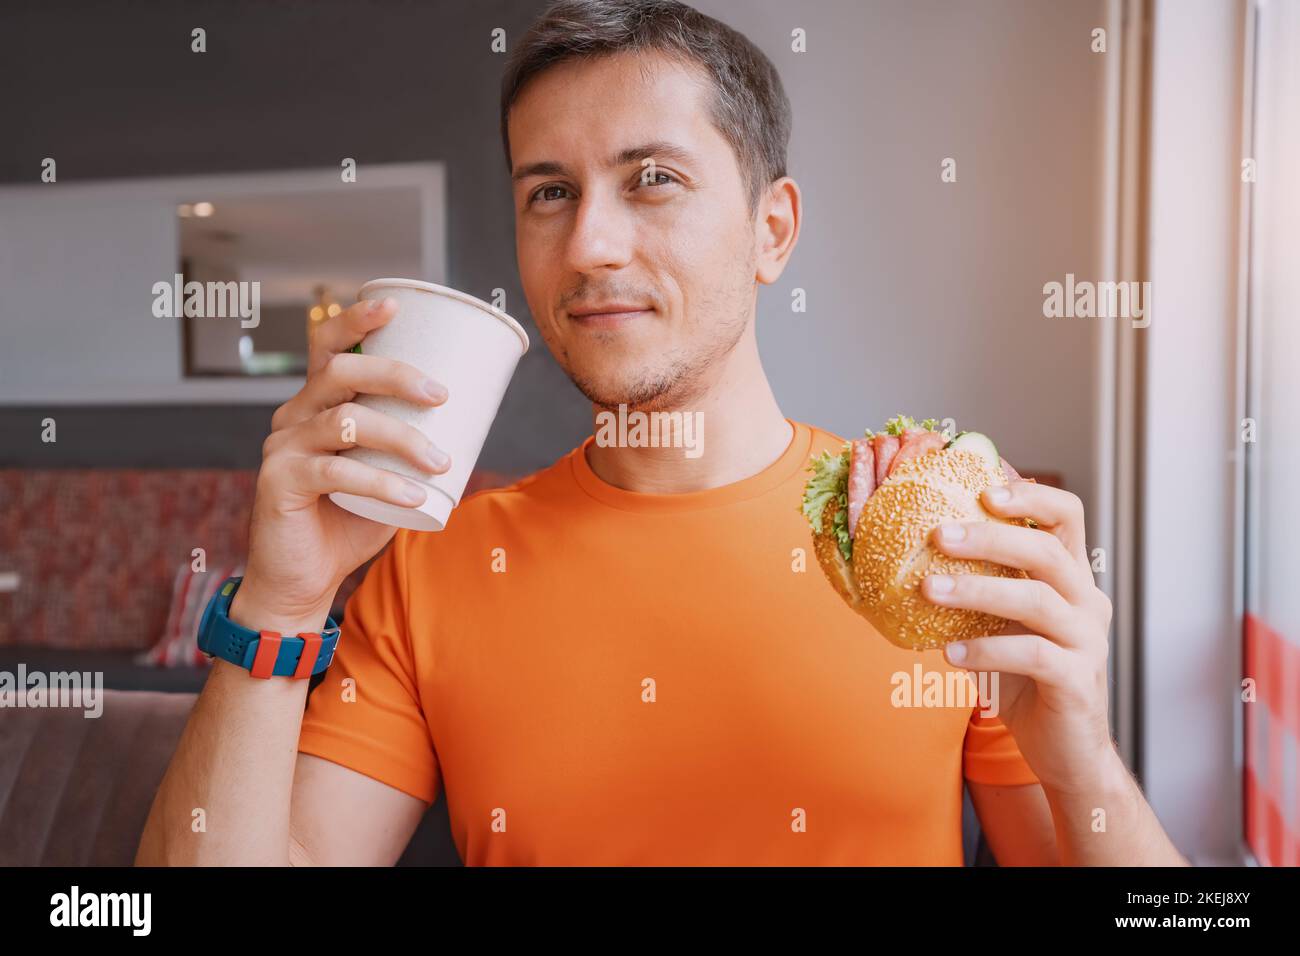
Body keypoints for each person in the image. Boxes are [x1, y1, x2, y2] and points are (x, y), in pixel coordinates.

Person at [137, 0, 1185, 866]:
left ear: (769, 230)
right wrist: (281, 599)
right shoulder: (430, 567)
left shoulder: (941, 555)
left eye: (653, 179)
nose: (589, 242)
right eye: (549, 192)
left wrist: (1081, 758)